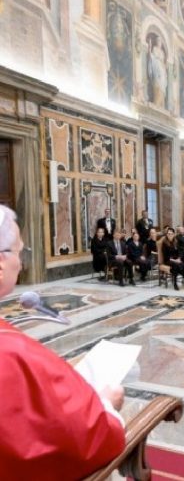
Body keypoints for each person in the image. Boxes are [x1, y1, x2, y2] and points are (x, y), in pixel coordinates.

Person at [0, 204, 125, 480]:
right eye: (19, 252)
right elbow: (87, 439)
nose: (21, 263)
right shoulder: (11, 352)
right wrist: (107, 406)